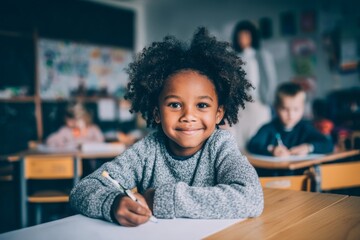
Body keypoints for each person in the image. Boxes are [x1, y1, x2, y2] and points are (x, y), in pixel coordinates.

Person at [70, 27, 264, 227]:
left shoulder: (221, 146)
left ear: (218, 114)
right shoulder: (147, 151)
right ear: (156, 113)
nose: (188, 116)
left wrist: (161, 199)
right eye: (175, 105)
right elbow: (82, 189)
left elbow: (252, 198)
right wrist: (112, 204)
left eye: (202, 105)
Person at [247, 82, 333, 157]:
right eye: (285, 109)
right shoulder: (268, 128)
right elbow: (252, 145)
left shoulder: (306, 128)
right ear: (276, 108)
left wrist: (308, 147)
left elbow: (328, 144)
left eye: (296, 109)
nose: (291, 115)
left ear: (303, 108)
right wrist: (272, 150)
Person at [229, 20, 278, 151]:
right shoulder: (233, 58)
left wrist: (268, 98)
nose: (243, 39)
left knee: (259, 136)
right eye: (240, 36)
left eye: (246, 35)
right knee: (240, 138)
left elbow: (271, 79)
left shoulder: (263, 56)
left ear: (252, 36)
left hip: (259, 102)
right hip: (240, 105)